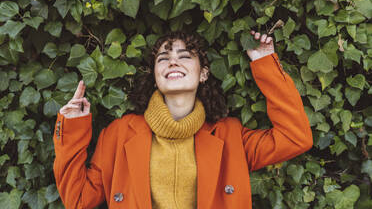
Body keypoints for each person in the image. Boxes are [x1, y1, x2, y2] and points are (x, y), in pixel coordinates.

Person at [53, 31, 313, 209]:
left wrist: (264, 62)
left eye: (185, 56)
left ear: (203, 74)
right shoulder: (121, 133)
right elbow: (78, 200)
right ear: (155, 74)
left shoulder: (230, 135)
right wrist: (73, 128)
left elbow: (295, 137)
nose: (173, 62)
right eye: (163, 58)